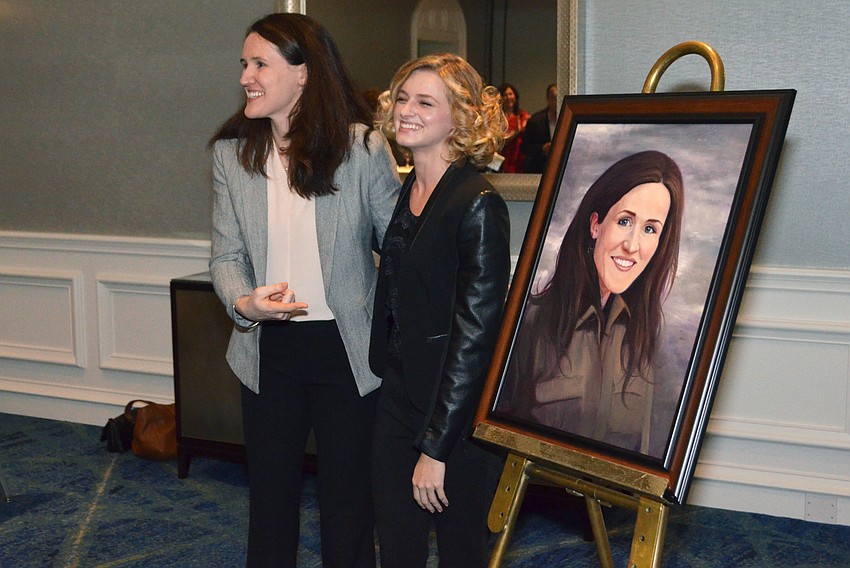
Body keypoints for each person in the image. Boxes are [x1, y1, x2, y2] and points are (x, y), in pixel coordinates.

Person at [208, 13, 399, 568]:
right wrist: (244, 303)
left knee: (348, 506)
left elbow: (397, 249)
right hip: (268, 351)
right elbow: (225, 256)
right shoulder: (230, 155)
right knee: (269, 504)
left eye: (260, 63)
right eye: (244, 63)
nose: (246, 75)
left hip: (347, 351)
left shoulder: (362, 148)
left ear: (304, 74)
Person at [368, 53, 511, 567]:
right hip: (399, 395)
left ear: (461, 117)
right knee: (398, 547)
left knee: (460, 555)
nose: (406, 110)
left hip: (455, 417)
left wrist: (437, 448)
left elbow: (476, 339)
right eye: (403, 98)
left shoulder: (476, 203)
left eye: (425, 102)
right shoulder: (413, 186)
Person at [498, 151, 684, 453]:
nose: (632, 245)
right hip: (537, 495)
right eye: (625, 221)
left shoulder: (649, 337)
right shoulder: (530, 322)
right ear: (595, 225)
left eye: (650, 229)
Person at [521, 83, 559, 173]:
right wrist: (542, 149)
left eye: (559, 97)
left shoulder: (568, 119)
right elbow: (525, 148)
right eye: (553, 97)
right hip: (540, 170)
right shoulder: (536, 121)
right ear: (548, 99)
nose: (556, 101)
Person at [498, 83, 530, 172]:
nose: (508, 97)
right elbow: (500, 139)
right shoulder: (497, 118)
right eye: (505, 95)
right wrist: (516, 132)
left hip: (519, 156)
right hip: (503, 157)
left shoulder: (522, 115)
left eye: (510, 94)